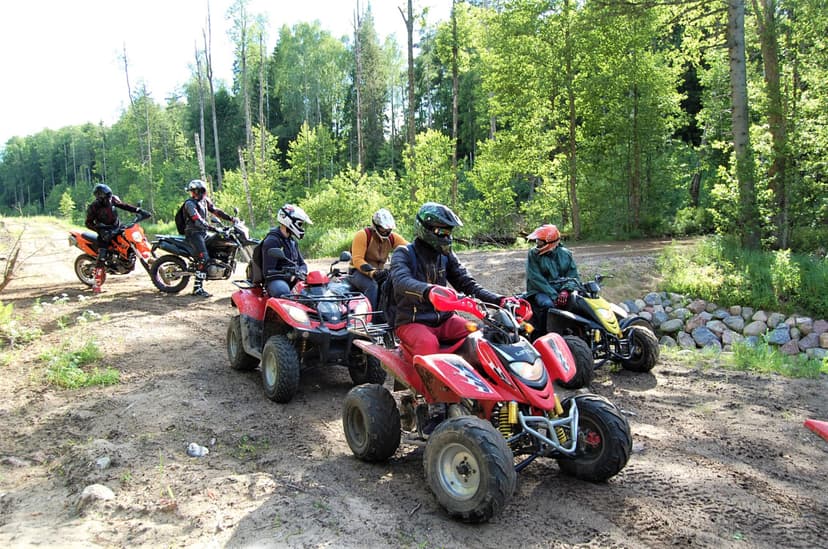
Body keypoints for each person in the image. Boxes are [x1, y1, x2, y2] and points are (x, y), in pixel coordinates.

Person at [389, 202, 515, 358]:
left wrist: (499, 300)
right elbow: (401, 281)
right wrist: (428, 291)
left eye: (449, 232)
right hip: (413, 322)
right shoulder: (404, 253)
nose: (447, 237)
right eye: (442, 231)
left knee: (482, 336)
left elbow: (467, 283)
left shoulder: (445, 255)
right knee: (428, 345)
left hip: (445, 319)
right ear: (425, 228)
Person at [85, 183, 147, 294]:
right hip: (104, 233)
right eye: (107, 196)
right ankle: (97, 283)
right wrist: (100, 230)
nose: (109, 198)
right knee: (102, 256)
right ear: (100, 197)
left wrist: (139, 211)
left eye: (110, 195)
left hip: (117, 227)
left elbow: (124, 206)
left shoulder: (112, 199)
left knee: (133, 239)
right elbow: (88, 223)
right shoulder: (94, 207)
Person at [181, 179, 237, 298]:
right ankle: (197, 288)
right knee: (204, 258)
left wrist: (231, 219)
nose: (192, 194)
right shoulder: (189, 204)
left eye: (194, 191)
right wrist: (212, 228)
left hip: (203, 233)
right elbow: (197, 219)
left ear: (200, 191)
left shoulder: (204, 201)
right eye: (192, 191)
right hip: (193, 233)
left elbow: (216, 211)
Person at [524, 223, 580, 333]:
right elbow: (535, 278)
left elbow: (573, 275)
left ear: (550, 242)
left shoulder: (565, 254)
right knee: (548, 305)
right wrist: (554, 295)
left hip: (561, 289)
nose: (537, 244)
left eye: (540, 241)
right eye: (537, 241)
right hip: (540, 290)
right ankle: (543, 333)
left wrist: (565, 290)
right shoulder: (533, 254)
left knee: (578, 302)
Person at [349, 208, 408, 310]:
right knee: (372, 286)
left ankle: (390, 313)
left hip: (379, 272)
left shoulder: (392, 238)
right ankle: (370, 315)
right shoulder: (363, 235)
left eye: (388, 230)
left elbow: (409, 248)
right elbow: (357, 260)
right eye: (383, 229)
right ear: (375, 226)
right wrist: (373, 273)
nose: (386, 232)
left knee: (394, 285)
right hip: (358, 272)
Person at [260, 204, 313, 297]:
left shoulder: (292, 241)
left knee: (317, 289)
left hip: (295, 278)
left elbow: (302, 264)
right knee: (282, 292)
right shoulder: (272, 241)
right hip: (276, 281)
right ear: (288, 221)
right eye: (300, 224)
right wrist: (288, 275)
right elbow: (268, 272)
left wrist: (301, 272)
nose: (301, 227)